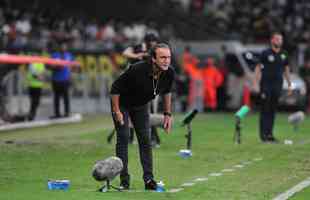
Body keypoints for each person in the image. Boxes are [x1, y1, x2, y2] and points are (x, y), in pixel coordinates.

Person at [110, 43, 175, 190]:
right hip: (122, 104)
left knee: (145, 139)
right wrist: (117, 111)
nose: (166, 61)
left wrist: (167, 113)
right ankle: (124, 181)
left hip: (141, 106)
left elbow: (167, 92)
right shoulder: (137, 69)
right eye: (162, 57)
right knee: (124, 137)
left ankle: (149, 180)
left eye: (168, 57)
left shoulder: (169, 72)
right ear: (153, 59)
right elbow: (115, 88)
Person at [123, 33, 161, 147]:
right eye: (152, 42)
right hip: (134, 84)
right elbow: (125, 52)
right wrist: (138, 55)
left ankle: (154, 138)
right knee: (132, 111)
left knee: (150, 112)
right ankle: (130, 137)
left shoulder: (155, 52)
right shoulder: (139, 47)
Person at [253, 32, 292, 143]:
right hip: (266, 85)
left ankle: (270, 134)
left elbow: (287, 70)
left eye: (281, 39)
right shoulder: (265, 53)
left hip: (277, 85)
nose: (280, 41)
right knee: (265, 109)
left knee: (272, 110)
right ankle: (263, 135)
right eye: (277, 39)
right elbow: (257, 68)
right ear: (272, 41)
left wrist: (289, 84)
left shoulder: (284, 54)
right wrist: (255, 83)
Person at [50, 43, 74, 118]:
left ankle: (67, 113)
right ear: (59, 47)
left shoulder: (69, 55)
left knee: (66, 97)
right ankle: (57, 113)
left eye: (64, 46)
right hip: (56, 79)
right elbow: (50, 66)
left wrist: (70, 76)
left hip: (65, 80)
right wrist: (56, 67)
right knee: (56, 98)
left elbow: (71, 66)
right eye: (62, 46)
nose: (63, 47)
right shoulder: (54, 55)